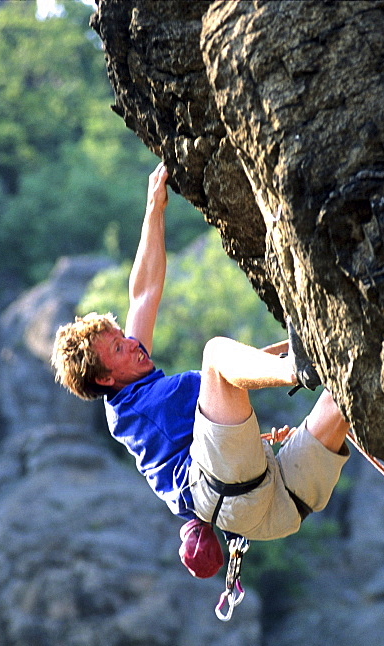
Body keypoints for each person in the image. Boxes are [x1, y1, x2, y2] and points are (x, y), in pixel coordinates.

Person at [51, 163, 349, 575]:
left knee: (352, 382)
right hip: (225, 490)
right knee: (215, 354)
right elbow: (222, 373)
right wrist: (290, 365)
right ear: (105, 377)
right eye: (119, 346)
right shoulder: (143, 405)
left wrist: (154, 210)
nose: (134, 344)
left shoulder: (130, 385)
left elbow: (143, 294)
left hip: (277, 507)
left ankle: (308, 367)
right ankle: (299, 370)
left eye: (124, 336)